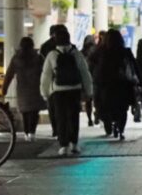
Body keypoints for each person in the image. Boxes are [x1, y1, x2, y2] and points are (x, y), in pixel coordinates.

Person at [40, 25, 93, 157]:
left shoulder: (52, 55)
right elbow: (85, 73)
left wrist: (45, 93)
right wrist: (89, 91)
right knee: (74, 117)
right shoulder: (76, 54)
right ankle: (74, 144)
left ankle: (63, 145)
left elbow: (46, 76)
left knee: (61, 118)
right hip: (75, 90)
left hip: (58, 92)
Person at [94, 29, 139, 140]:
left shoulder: (100, 52)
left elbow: (93, 66)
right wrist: (140, 81)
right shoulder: (126, 51)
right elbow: (134, 67)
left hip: (106, 85)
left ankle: (112, 124)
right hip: (124, 85)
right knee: (122, 109)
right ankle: (121, 129)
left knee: (107, 107)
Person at [3, 37, 47, 141]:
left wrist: (4, 88)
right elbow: (46, 72)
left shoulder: (16, 58)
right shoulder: (38, 57)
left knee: (25, 112)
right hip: (36, 88)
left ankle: (27, 132)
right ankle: (32, 132)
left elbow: (9, 74)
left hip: (22, 89)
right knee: (34, 112)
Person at [39, 25, 66, 138]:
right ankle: (63, 129)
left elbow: (43, 68)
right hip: (68, 83)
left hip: (53, 82)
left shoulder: (45, 47)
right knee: (65, 109)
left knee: (53, 107)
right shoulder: (69, 46)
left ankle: (56, 129)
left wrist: (43, 90)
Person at [81, 33, 102, 129]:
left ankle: (89, 119)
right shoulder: (97, 52)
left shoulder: (81, 53)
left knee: (88, 101)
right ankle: (97, 116)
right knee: (97, 100)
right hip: (96, 79)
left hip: (86, 80)